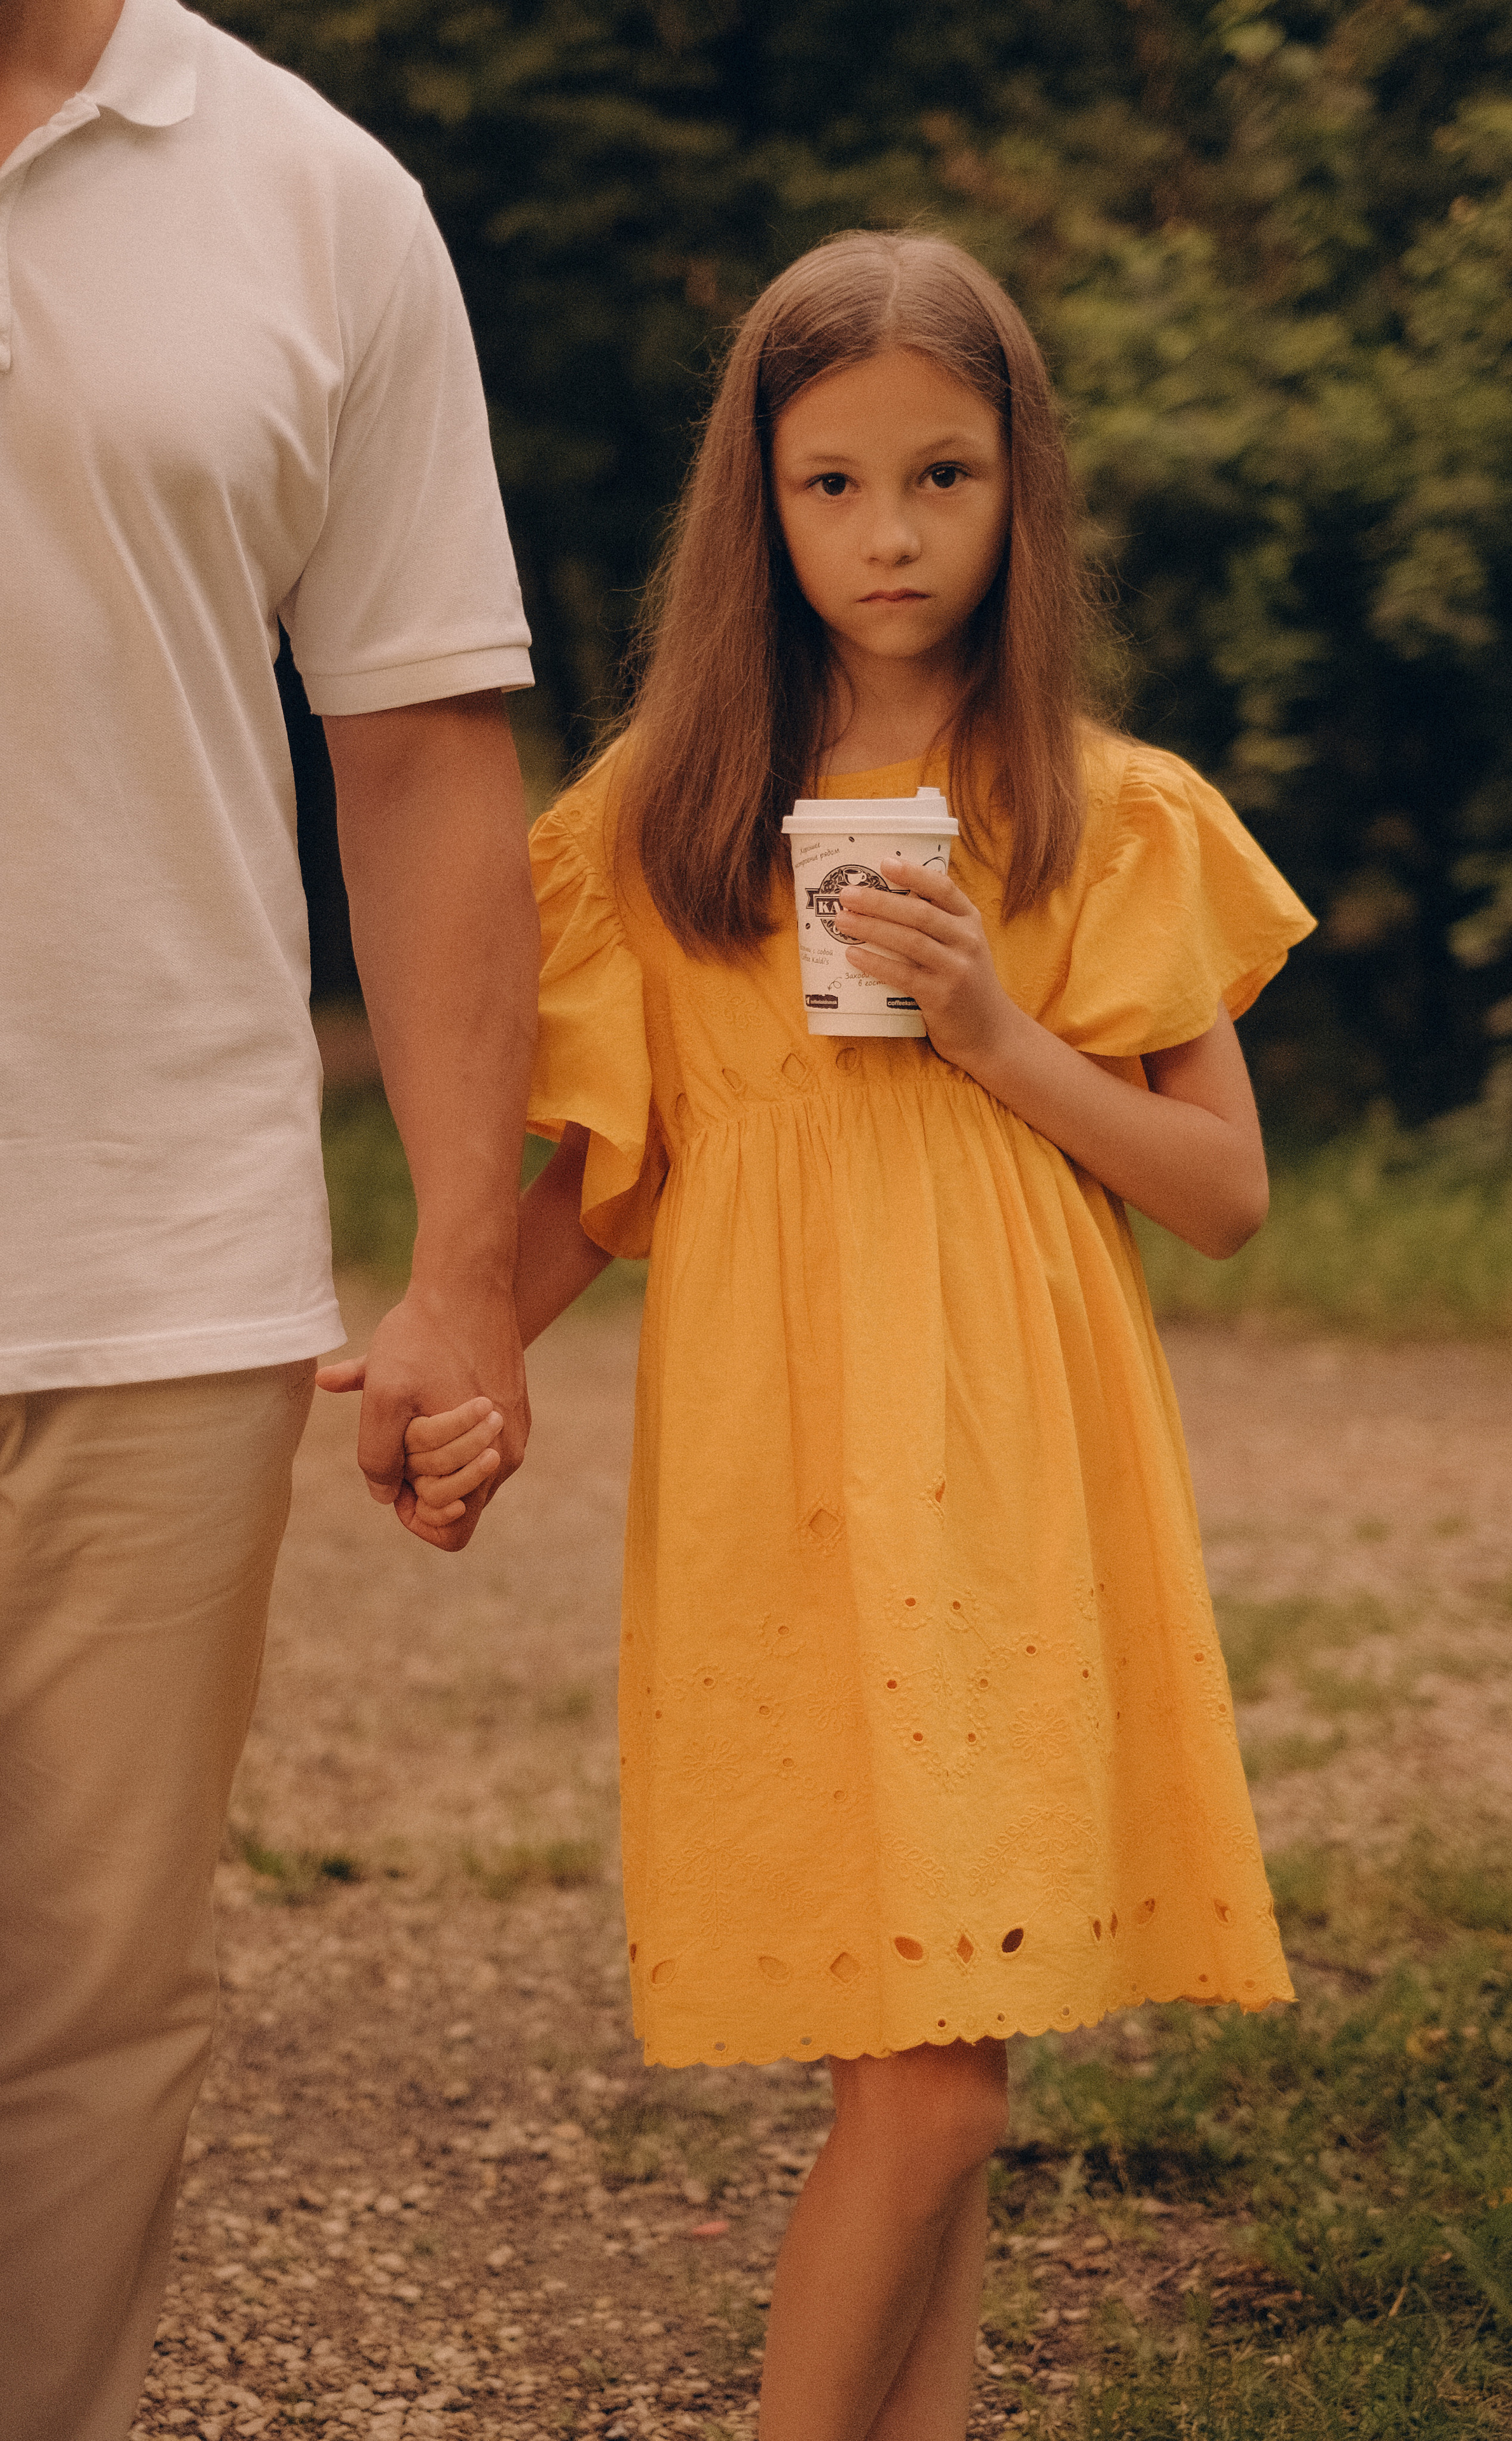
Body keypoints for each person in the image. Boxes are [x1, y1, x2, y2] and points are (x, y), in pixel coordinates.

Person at [387, 229, 1315, 2439]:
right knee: (928, 2075)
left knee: (943, 2091)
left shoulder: (1103, 809)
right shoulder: (660, 819)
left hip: (1008, 1475)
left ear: (1021, 492)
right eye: (831, 486)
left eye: (941, 477)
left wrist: (993, 1022)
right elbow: (606, 1175)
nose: (888, 536)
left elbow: (1223, 1193)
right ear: (757, 500)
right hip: (780, 1481)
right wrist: (458, 1349)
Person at [0, 2, 539, 2433]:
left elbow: (424, 749)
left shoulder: (322, 198)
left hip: (153, 1258)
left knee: (88, 1999)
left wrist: (463, 1271)